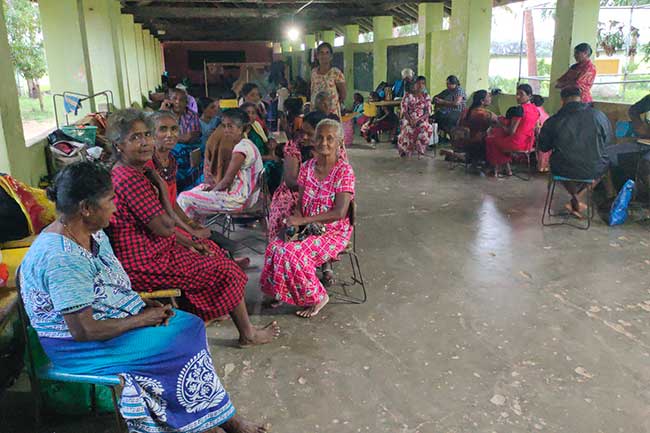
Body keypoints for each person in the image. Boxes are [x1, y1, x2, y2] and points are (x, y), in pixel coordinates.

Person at [19, 161, 273, 433]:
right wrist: (141, 319)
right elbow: (83, 330)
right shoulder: (61, 258)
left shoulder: (92, 234)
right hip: (76, 348)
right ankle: (211, 422)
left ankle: (210, 417)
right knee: (176, 344)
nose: (115, 207)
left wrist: (136, 303)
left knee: (189, 326)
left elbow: (108, 287)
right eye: (110, 200)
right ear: (86, 208)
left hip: (103, 325)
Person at [107, 109, 279, 343]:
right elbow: (165, 227)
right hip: (144, 262)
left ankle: (209, 312)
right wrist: (161, 187)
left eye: (147, 134)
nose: (145, 142)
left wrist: (191, 240)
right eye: (135, 137)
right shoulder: (131, 179)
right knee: (226, 270)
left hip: (152, 249)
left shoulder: (138, 171)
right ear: (118, 145)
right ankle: (247, 333)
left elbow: (164, 225)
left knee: (211, 248)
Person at [261, 119, 355, 318]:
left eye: (330, 138)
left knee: (293, 253)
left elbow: (339, 213)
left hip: (333, 231)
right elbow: (301, 206)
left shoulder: (344, 171)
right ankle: (282, 293)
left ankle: (318, 296)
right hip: (309, 228)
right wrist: (294, 223)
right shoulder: (307, 168)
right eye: (319, 137)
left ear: (339, 142)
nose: (324, 142)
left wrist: (303, 222)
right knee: (275, 246)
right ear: (313, 140)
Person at [538, 86, 612, 218]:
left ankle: (575, 197)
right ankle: (578, 197)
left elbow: (543, 147)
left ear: (562, 100)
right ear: (581, 98)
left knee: (559, 164)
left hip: (563, 168)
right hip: (593, 168)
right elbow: (607, 142)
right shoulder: (599, 116)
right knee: (604, 165)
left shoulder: (554, 120)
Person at [177, 108, 264, 220]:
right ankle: (194, 226)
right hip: (242, 195)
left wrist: (211, 193)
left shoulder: (242, 148)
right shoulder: (245, 145)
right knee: (200, 188)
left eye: (230, 126)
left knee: (184, 198)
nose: (226, 130)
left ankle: (189, 228)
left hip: (237, 200)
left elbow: (226, 181)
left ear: (243, 129)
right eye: (224, 126)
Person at [144, 111, 212, 240]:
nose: (170, 135)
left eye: (174, 129)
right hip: (159, 229)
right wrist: (190, 231)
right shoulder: (148, 165)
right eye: (163, 129)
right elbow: (159, 213)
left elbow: (172, 203)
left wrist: (191, 223)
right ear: (152, 134)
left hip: (173, 223)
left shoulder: (171, 160)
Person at [267, 111, 329, 241]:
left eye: (310, 134)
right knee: (289, 215)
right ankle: (286, 246)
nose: (304, 137)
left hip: (320, 195)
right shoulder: (294, 147)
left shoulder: (332, 151)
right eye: (302, 132)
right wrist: (318, 186)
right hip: (293, 195)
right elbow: (291, 181)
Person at [485, 84, 540, 177]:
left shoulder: (520, 109)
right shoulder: (535, 109)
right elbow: (536, 128)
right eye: (517, 94)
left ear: (529, 96)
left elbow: (511, 131)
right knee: (499, 140)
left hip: (517, 142)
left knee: (491, 140)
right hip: (529, 143)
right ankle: (508, 169)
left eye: (521, 94)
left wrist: (499, 123)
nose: (517, 97)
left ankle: (495, 170)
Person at [444, 89, 498, 170]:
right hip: (476, 143)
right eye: (488, 96)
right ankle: (493, 166)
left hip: (461, 142)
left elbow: (458, 124)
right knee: (495, 140)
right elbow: (498, 122)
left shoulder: (466, 111)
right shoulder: (484, 114)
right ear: (482, 101)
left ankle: (463, 156)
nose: (490, 98)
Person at [162, 88, 202, 191]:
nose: (177, 102)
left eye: (181, 100)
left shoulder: (192, 115)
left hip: (187, 151)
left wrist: (169, 139)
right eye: (174, 98)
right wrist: (162, 111)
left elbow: (188, 138)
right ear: (169, 100)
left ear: (186, 102)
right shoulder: (164, 114)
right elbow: (157, 136)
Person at [241, 102, 282, 193]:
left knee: (279, 162)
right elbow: (246, 156)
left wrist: (271, 144)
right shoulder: (240, 132)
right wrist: (268, 157)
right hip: (251, 163)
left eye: (253, 113)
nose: (250, 116)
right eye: (248, 113)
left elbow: (265, 141)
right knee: (272, 166)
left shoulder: (256, 126)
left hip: (263, 158)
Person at [397, 76, 434, 158]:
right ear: (414, 84)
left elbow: (428, 112)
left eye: (423, 83)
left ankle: (420, 148)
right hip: (408, 119)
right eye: (418, 83)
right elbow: (404, 110)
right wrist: (410, 120)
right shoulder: (407, 96)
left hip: (421, 118)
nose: (420, 85)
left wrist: (418, 119)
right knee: (408, 129)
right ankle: (407, 149)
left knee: (426, 127)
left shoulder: (426, 96)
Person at [311, 42, 346, 119]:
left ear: (331, 56)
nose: (324, 55)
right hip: (316, 111)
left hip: (331, 112)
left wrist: (331, 104)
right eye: (321, 53)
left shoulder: (336, 72)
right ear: (317, 56)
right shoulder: (314, 72)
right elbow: (313, 91)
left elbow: (343, 95)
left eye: (327, 53)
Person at [531, 94, 551, 172]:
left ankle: (541, 166)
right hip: (548, 135)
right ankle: (545, 167)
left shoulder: (534, 111)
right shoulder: (543, 111)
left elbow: (535, 127)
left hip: (540, 135)